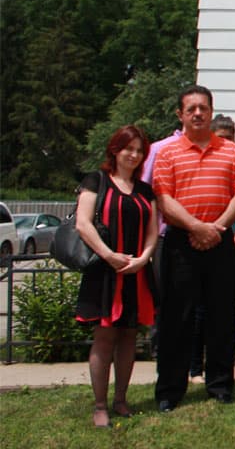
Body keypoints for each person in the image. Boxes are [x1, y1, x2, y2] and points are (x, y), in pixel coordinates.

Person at [153, 85, 235, 411]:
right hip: (182, 242)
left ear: (211, 111)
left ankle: (220, 385)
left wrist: (216, 227)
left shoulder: (231, 151)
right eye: (191, 108)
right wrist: (197, 227)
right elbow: (165, 199)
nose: (198, 113)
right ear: (180, 114)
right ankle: (170, 390)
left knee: (221, 316)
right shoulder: (167, 153)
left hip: (220, 239)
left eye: (203, 108)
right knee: (176, 318)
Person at [75, 125, 157, 428]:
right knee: (104, 337)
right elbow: (83, 224)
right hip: (105, 272)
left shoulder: (145, 190)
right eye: (129, 148)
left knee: (128, 337)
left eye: (139, 150)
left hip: (135, 272)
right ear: (115, 149)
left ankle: (121, 400)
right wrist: (109, 256)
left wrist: (144, 258)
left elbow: (152, 231)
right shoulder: (96, 181)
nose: (134, 155)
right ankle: (100, 405)